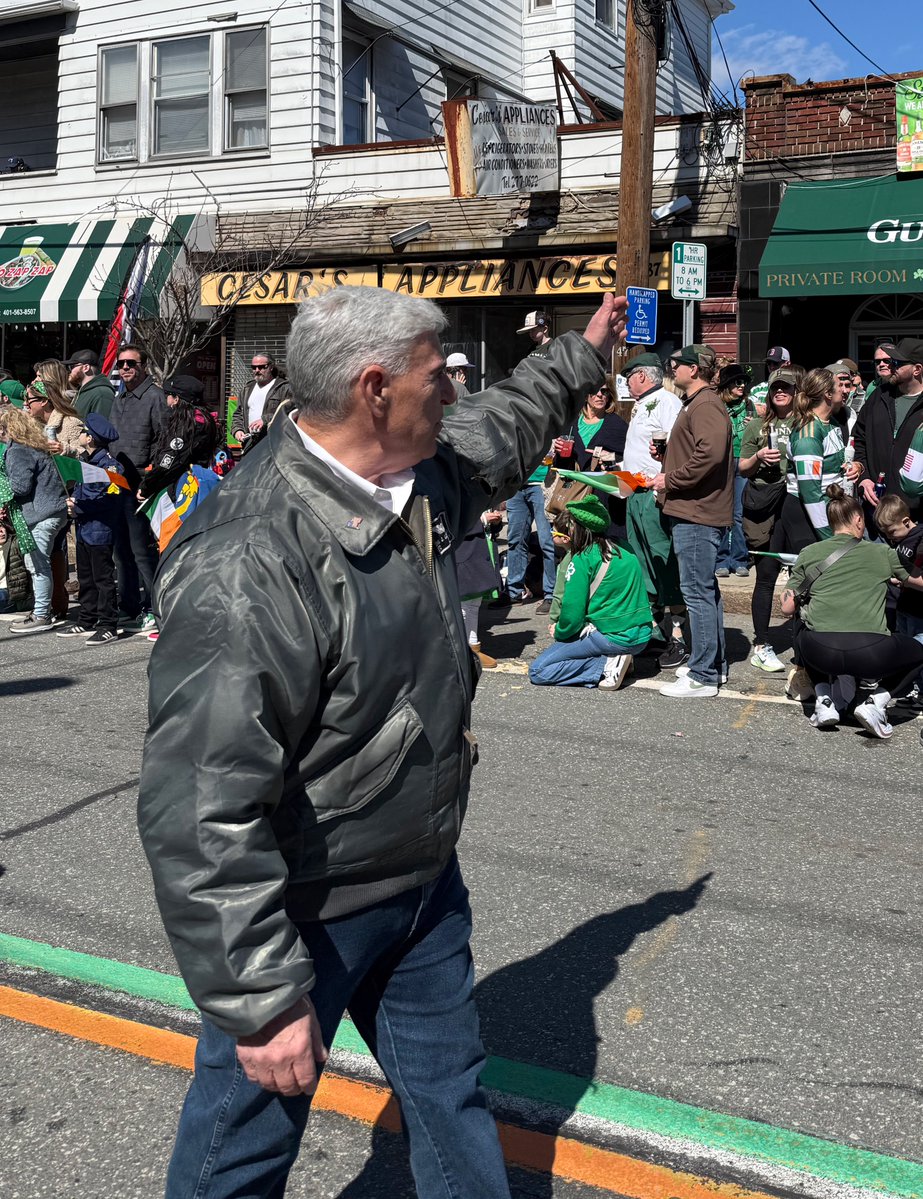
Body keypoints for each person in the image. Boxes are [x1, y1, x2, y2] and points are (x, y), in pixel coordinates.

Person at [136, 285, 628, 1199]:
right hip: (304, 905)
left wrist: (581, 352)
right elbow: (200, 803)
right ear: (373, 389)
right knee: (241, 1146)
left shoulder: (424, 468)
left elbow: (505, 422)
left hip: (421, 882)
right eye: (436, 375)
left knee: (450, 1098)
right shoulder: (250, 558)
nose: (453, 389)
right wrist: (259, 995)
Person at [781, 484, 923, 738]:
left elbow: (786, 607)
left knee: (802, 623)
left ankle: (824, 699)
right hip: (871, 654)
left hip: (819, 651)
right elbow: (920, 581)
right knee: (918, 651)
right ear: (859, 520)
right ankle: (876, 702)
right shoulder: (883, 552)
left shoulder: (809, 553)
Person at [651, 344, 733, 698]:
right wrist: (668, 454)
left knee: (697, 593)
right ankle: (713, 665)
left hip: (698, 513)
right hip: (695, 510)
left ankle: (703, 675)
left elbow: (710, 455)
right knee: (705, 592)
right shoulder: (698, 404)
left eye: (677, 364)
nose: (671, 368)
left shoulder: (705, 404)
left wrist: (670, 478)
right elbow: (700, 450)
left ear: (694, 370)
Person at [528, 494, 651, 690]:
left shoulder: (582, 559)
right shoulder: (623, 546)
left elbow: (572, 613)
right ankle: (616, 660)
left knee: (539, 671)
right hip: (643, 633)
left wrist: (559, 631)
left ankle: (608, 665)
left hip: (613, 637)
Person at [620, 353, 687, 666]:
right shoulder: (641, 404)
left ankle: (679, 637)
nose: (627, 381)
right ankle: (657, 633)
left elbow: (679, 446)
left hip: (652, 494)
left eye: (630, 375)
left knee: (664, 561)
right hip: (633, 491)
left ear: (643, 376)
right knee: (643, 563)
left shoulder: (667, 402)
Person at [739, 368, 797, 673]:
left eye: (786, 387)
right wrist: (759, 456)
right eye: (776, 388)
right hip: (765, 505)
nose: (780, 392)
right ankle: (761, 644)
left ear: (796, 392)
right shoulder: (758, 426)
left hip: (797, 506)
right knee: (766, 575)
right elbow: (742, 468)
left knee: (804, 574)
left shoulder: (806, 424)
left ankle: (804, 641)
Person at [109, 345, 166, 630]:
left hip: (140, 482)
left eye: (131, 363)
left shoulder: (155, 396)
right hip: (116, 481)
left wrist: (151, 477)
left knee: (141, 549)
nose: (125, 368)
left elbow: (162, 439)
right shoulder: (119, 396)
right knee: (121, 550)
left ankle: (155, 610)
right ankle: (129, 605)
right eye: (121, 364)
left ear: (143, 365)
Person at [504, 309, 557, 614]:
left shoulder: (551, 411)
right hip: (519, 480)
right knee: (515, 537)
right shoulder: (516, 412)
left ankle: (550, 592)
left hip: (542, 479)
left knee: (548, 541)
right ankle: (514, 588)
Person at [57, 414, 125, 645]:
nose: (81, 435)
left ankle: (108, 624)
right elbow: (80, 491)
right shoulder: (86, 463)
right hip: (85, 528)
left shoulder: (111, 467)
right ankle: (87, 619)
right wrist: (72, 502)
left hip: (100, 530)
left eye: (84, 433)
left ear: (93, 439)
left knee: (103, 579)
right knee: (85, 577)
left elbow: (110, 500)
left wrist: (80, 507)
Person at [0, 406, 68, 634]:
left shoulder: (16, 450)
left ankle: (41, 614)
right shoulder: (34, 445)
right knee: (41, 564)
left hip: (41, 515)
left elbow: (20, 486)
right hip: (53, 511)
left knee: (38, 565)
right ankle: (43, 610)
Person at [854, 338, 923, 519]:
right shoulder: (879, 396)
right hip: (876, 507)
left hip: (915, 516)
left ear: (917, 369)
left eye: (897, 363)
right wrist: (864, 477)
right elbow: (858, 440)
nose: (890, 366)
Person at [874, 493, 923, 701]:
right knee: (904, 649)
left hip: (918, 609)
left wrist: (901, 578)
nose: (890, 537)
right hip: (903, 605)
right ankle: (909, 686)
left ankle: (919, 690)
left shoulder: (919, 538)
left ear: (906, 521)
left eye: (892, 531)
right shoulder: (901, 539)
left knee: (917, 651)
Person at [715, 363, 755, 579]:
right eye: (737, 382)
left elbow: (760, 432)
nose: (741, 386)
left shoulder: (750, 406)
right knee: (722, 511)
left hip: (744, 460)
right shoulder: (717, 406)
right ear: (727, 385)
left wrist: (754, 425)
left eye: (743, 382)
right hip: (722, 460)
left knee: (738, 514)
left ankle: (739, 559)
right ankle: (721, 559)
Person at [552, 377, 627, 471]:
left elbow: (628, 457)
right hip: (572, 482)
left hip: (600, 482)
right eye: (594, 391)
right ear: (585, 396)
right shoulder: (570, 423)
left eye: (604, 391)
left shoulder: (617, 425)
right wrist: (559, 452)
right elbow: (559, 463)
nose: (599, 395)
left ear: (608, 396)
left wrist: (609, 458)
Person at [230, 352, 291, 451]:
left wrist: (265, 420)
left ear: (271, 367)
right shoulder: (247, 388)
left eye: (262, 367)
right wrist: (237, 430)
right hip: (250, 444)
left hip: (274, 444)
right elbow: (238, 414)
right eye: (253, 367)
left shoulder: (284, 388)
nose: (257, 370)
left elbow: (289, 413)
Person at [23, 377, 83, 455]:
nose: (25, 403)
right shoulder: (33, 426)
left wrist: (65, 450)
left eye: (28, 399)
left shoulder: (71, 423)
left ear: (44, 401)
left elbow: (84, 456)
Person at [64, 349, 115, 420]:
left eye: (72, 366)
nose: (69, 370)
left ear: (86, 368)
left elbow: (101, 428)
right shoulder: (82, 392)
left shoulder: (102, 393)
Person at [749, 346, 791, 417]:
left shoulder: (794, 385)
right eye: (769, 363)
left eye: (775, 363)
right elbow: (749, 411)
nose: (771, 367)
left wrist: (762, 410)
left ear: (787, 363)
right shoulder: (757, 389)